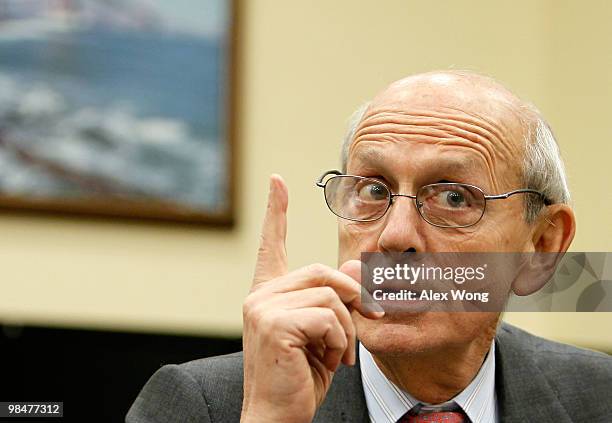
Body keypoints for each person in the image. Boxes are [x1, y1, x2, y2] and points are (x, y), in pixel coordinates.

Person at [126, 71, 611, 423]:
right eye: (375, 190)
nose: (395, 236)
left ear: (542, 245)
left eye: (453, 198)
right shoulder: (203, 406)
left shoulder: (599, 397)